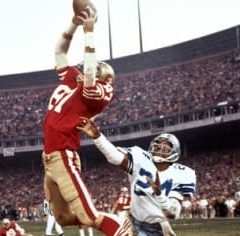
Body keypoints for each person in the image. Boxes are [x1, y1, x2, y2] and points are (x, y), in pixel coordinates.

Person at [42, 7, 130, 236]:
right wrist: (73, 24)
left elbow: (90, 77)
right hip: (49, 159)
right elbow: (59, 51)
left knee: (90, 217)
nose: (91, 65)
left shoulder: (101, 90)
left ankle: (123, 230)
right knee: (62, 217)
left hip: (63, 154)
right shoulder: (73, 78)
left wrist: (89, 33)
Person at [77, 117, 196, 236]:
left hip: (159, 227)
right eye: (157, 145)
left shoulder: (184, 173)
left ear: (174, 152)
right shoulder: (140, 156)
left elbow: (173, 214)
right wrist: (97, 137)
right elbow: (114, 157)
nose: (158, 148)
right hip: (133, 221)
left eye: (164, 147)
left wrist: (159, 195)